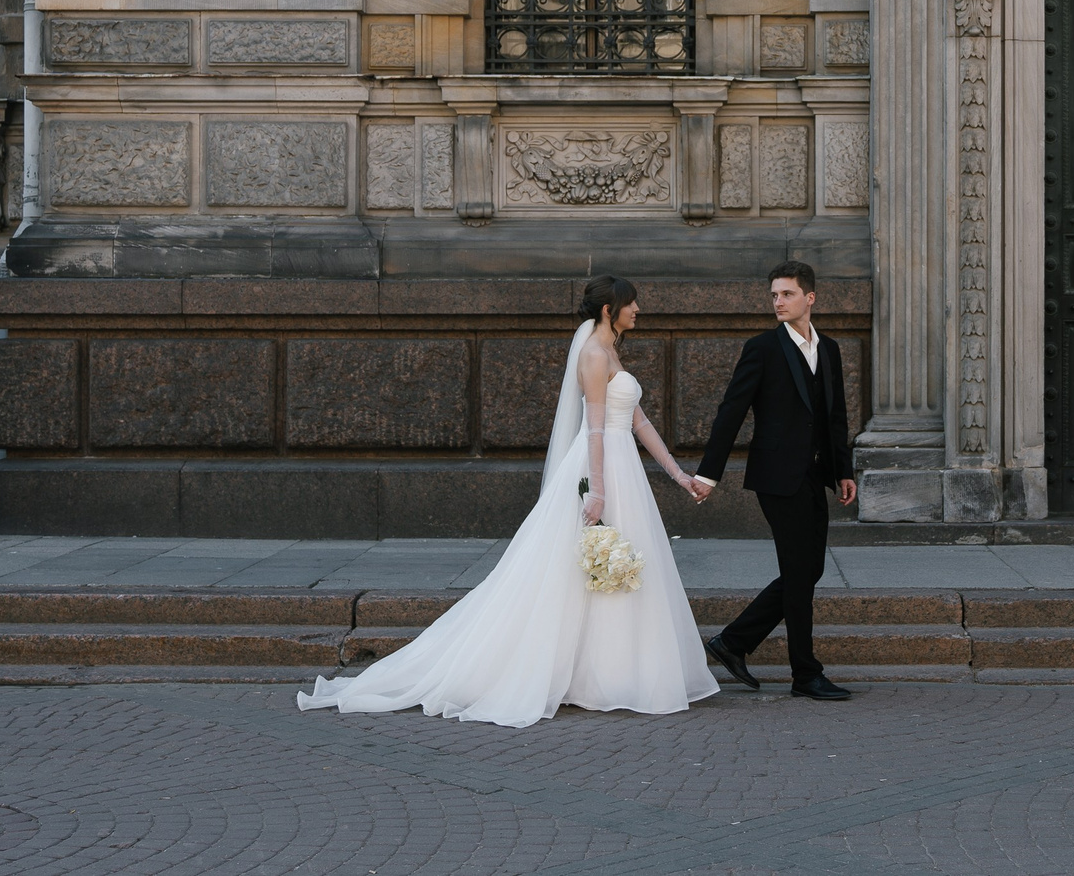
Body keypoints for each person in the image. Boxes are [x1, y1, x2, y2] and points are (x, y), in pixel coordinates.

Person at [296, 274, 716, 729]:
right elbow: (595, 428)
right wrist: (596, 491)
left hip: (623, 467)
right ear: (608, 310)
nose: (638, 310)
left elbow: (639, 422)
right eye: (631, 303)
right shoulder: (594, 355)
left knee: (616, 569)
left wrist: (679, 475)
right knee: (583, 569)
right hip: (601, 468)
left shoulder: (611, 350)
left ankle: (612, 674)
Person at [691, 259, 858, 702]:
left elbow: (836, 416)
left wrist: (843, 470)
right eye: (774, 295)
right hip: (776, 477)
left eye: (787, 294)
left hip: (816, 475)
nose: (778, 302)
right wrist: (709, 473)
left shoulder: (830, 349)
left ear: (810, 298)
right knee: (801, 572)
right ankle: (805, 674)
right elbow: (731, 411)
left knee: (809, 569)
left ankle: (734, 641)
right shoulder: (762, 348)